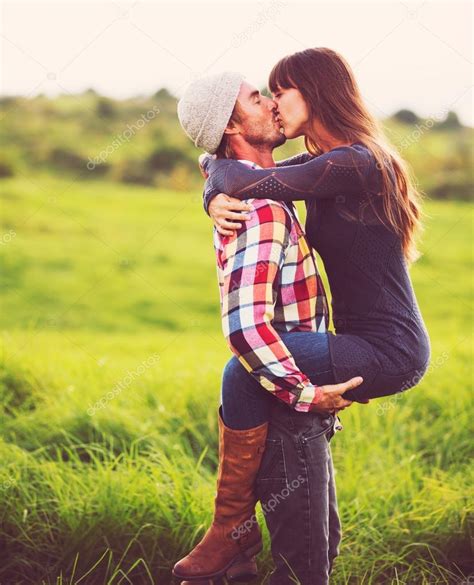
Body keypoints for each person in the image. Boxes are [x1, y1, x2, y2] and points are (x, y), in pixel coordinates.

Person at [174, 70, 366, 585]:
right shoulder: (261, 212)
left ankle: (234, 548)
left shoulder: (258, 189)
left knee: (320, 543)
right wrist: (307, 396)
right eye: (257, 98)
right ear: (233, 122)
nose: (270, 104)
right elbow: (243, 328)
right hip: (286, 406)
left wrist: (212, 179)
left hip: (286, 393)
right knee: (305, 564)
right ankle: (232, 542)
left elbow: (213, 160)